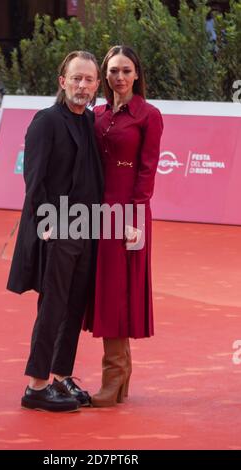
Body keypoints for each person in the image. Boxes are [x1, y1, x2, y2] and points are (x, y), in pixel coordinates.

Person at [7, 51, 103, 412]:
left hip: (87, 227)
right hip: (58, 228)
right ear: (63, 81)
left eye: (89, 80)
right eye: (76, 78)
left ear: (96, 87)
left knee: (74, 307)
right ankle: (36, 386)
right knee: (52, 307)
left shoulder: (88, 121)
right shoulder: (46, 121)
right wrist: (46, 224)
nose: (82, 85)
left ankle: (61, 377)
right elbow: (34, 179)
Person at [84, 45, 164, 407]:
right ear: (105, 75)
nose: (119, 77)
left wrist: (134, 217)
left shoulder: (149, 115)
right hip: (96, 214)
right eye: (113, 70)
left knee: (118, 292)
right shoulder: (96, 114)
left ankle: (113, 375)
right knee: (107, 290)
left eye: (126, 70)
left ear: (137, 74)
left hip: (127, 214)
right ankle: (121, 378)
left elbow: (146, 171)